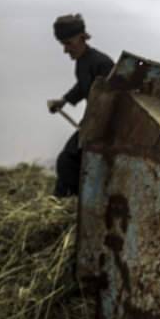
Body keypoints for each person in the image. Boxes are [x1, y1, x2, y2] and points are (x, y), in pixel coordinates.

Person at [47, 13, 114, 197]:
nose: (66, 50)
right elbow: (83, 86)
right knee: (67, 161)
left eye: (68, 43)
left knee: (68, 161)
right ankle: (71, 202)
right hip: (92, 123)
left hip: (105, 126)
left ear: (82, 38)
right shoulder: (82, 62)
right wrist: (65, 100)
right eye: (63, 44)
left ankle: (68, 205)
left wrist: (92, 129)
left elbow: (112, 100)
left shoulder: (102, 63)